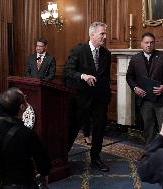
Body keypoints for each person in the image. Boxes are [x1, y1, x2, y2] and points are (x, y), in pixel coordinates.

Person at [63, 22, 111, 172]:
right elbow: (68, 71)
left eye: (105, 33)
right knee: (73, 128)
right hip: (81, 99)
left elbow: (105, 77)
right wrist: (83, 76)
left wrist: (107, 95)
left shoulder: (106, 54)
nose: (105, 36)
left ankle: (95, 158)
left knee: (99, 129)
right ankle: (62, 156)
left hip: (100, 100)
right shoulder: (79, 50)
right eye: (102, 33)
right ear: (92, 34)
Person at [0, 87, 51, 188]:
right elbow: (44, 167)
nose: (26, 97)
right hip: (25, 184)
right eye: (24, 97)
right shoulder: (28, 134)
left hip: (2, 183)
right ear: (22, 107)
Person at [126, 32, 163, 145]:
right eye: (146, 42)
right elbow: (129, 76)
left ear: (154, 43)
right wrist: (135, 88)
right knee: (148, 128)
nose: (149, 45)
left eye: (151, 42)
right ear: (141, 44)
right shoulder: (135, 59)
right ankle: (149, 151)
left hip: (161, 99)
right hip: (144, 99)